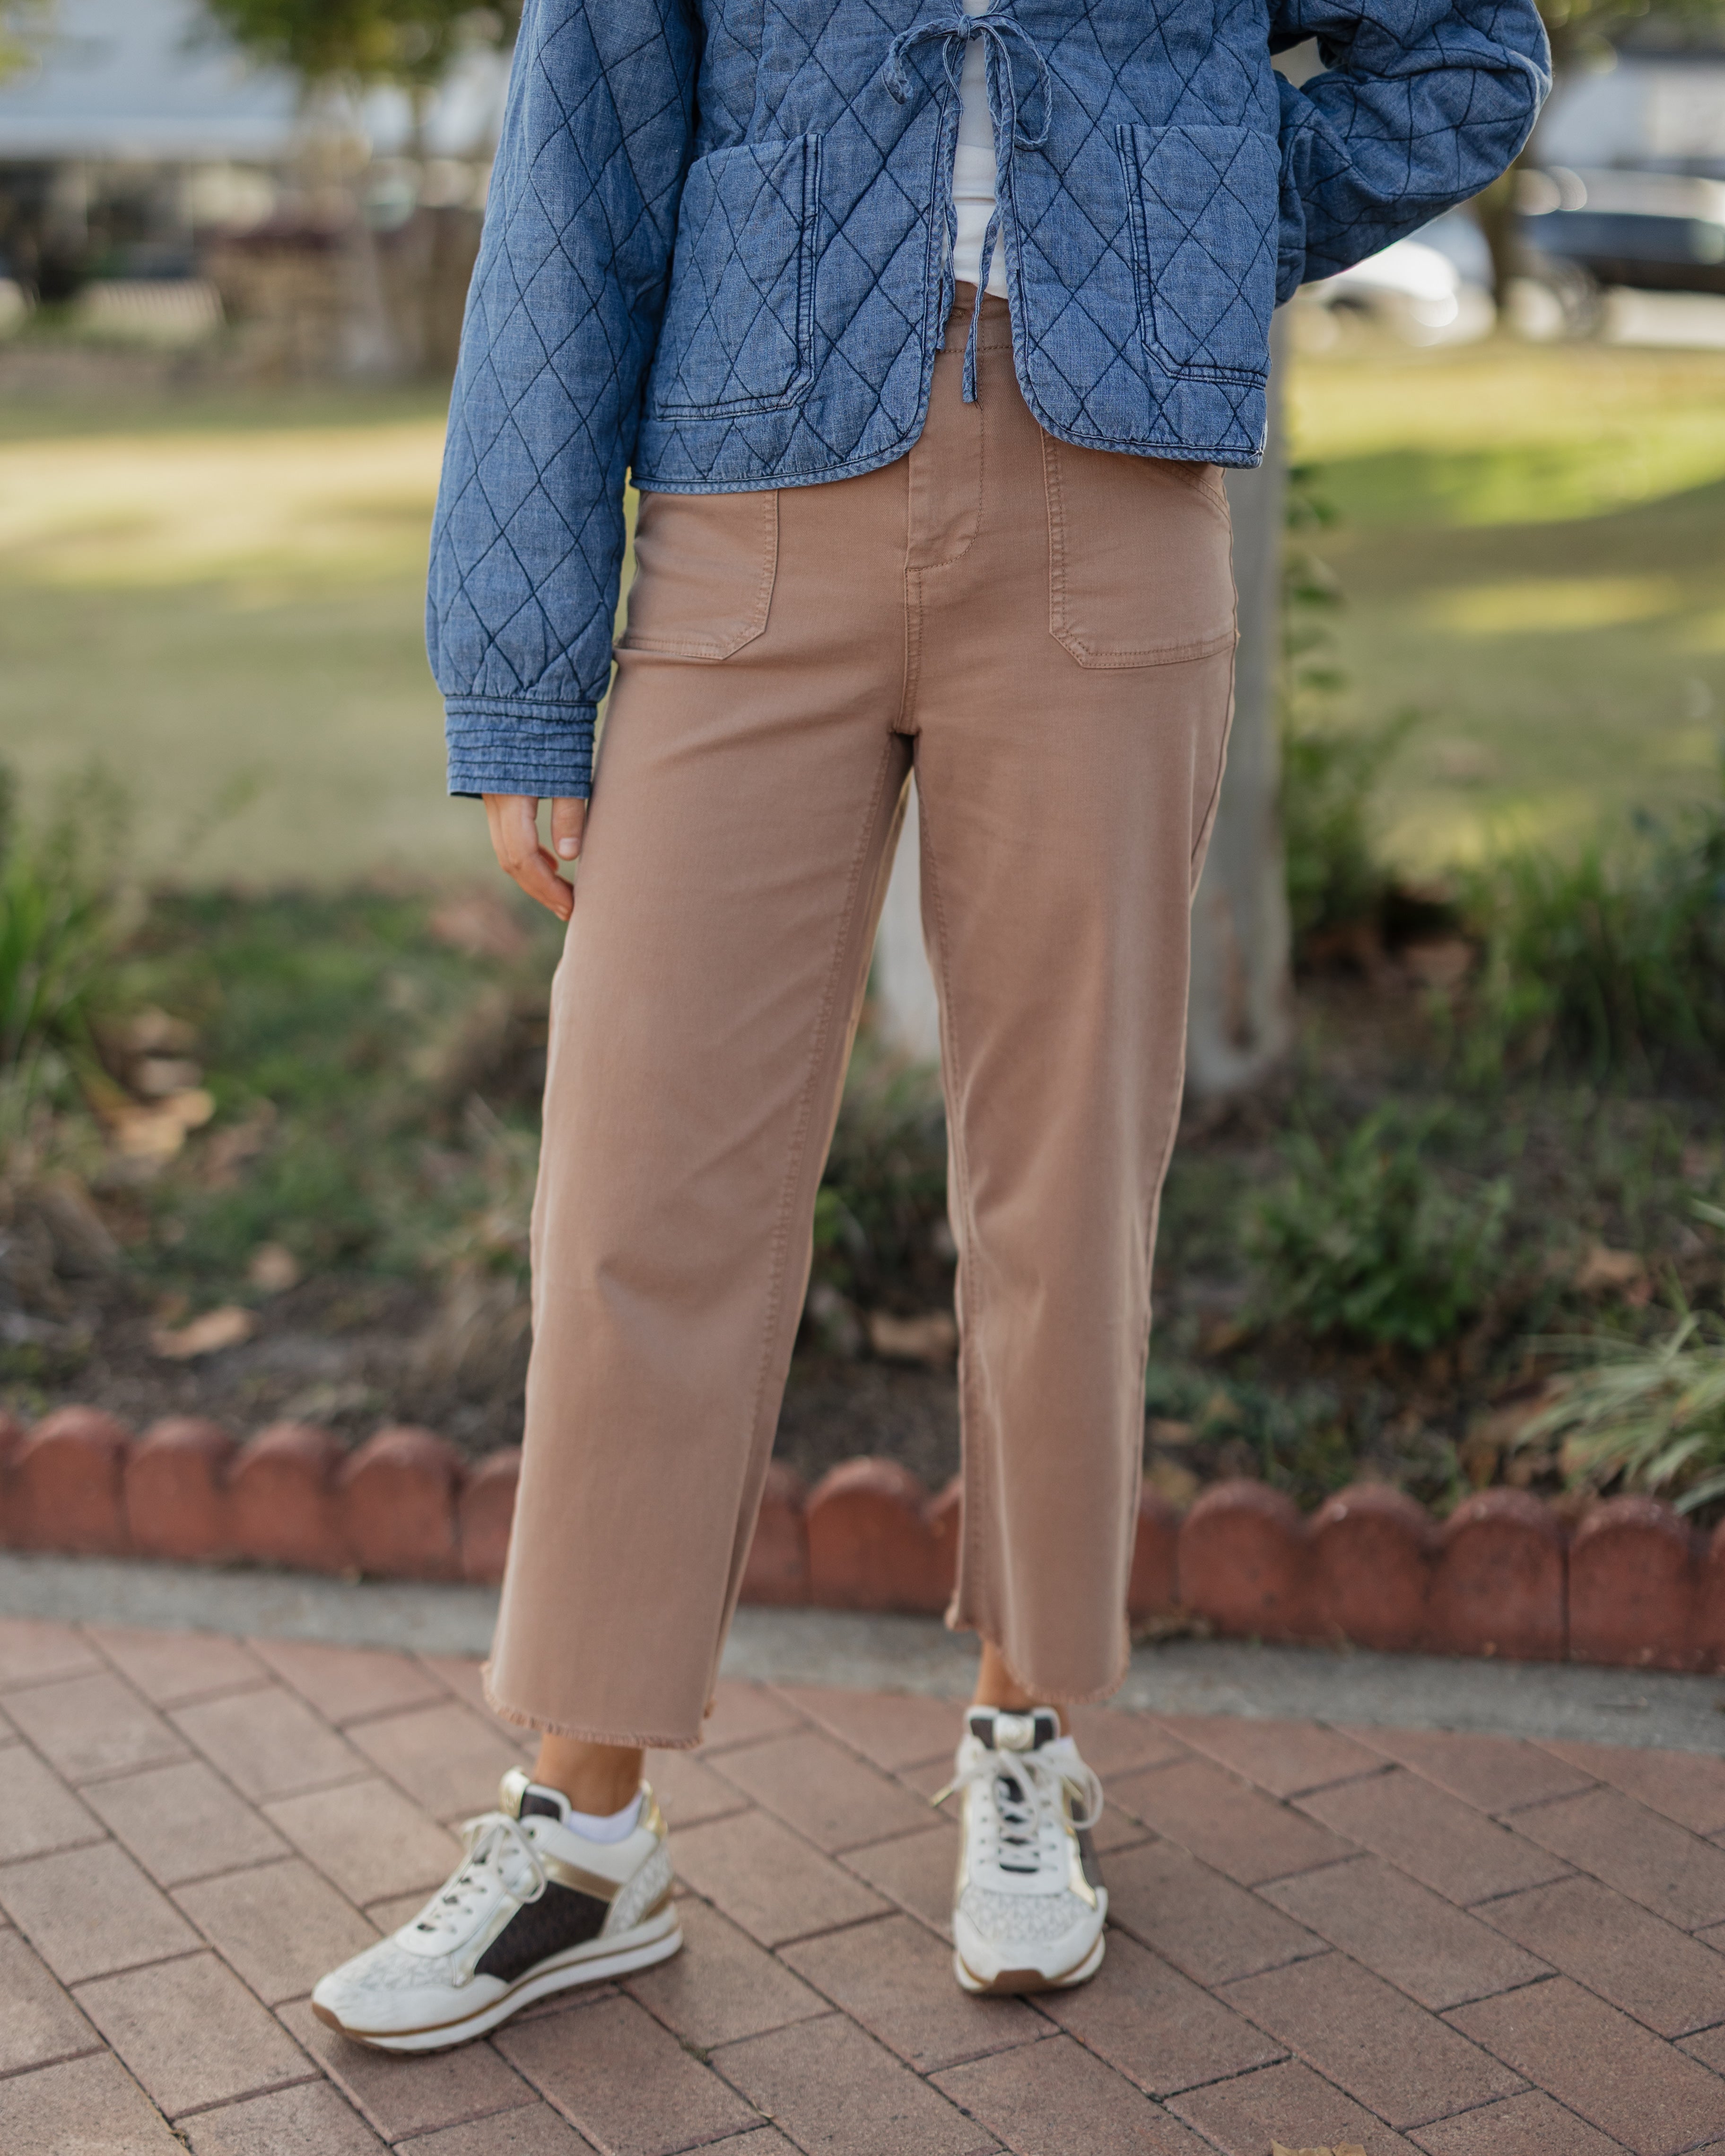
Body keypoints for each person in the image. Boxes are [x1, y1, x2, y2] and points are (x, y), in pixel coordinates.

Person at [312, 0, 1547, 2051]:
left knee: (1067, 1177)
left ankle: (1028, 1738)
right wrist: (521, 675)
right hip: (748, 512)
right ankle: (581, 1827)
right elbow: (578, 170)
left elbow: (1460, 60)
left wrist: (1181, 214)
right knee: (641, 1177)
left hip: (1110, 508)